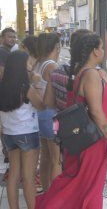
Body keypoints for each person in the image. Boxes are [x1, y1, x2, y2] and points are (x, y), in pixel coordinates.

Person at [36, 34, 107, 209]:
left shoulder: (91, 72)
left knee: (83, 185)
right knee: (89, 187)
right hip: (94, 140)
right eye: (101, 47)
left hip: (92, 140)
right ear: (95, 51)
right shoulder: (90, 75)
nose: (103, 50)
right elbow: (97, 112)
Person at [0, 51, 45, 209]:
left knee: (13, 175)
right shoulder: (26, 87)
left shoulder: (2, 87)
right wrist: (36, 85)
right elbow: (41, 106)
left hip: (9, 135)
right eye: (28, 63)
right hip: (27, 133)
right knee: (28, 177)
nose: (30, 66)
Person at [34, 33, 61, 191]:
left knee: (46, 156)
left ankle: (46, 190)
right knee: (56, 159)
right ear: (56, 47)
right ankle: (55, 195)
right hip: (52, 117)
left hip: (41, 116)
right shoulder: (52, 66)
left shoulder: (39, 62)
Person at [50, 29, 91, 111]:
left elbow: (48, 102)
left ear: (70, 49)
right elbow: (95, 111)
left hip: (63, 120)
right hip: (86, 122)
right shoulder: (92, 75)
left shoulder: (56, 72)